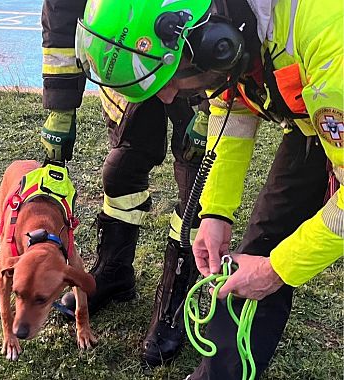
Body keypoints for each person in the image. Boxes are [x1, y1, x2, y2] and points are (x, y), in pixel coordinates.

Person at [76, 0, 343, 378]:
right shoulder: (228, 31)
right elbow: (232, 112)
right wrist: (215, 213)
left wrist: (278, 269)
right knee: (255, 257)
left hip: (334, 95)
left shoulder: (329, 40)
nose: (167, 97)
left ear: (215, 40)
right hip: (313, 125)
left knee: (271, 262)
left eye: (169, 80)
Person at [40, 0, 211, 366]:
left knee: (197, 184)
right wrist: (61, 105)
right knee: (122, 169)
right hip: (125, 60)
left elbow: (231, 16)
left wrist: (211, 105)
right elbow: (62, 14)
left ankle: (175, 303)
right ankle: (115, 271)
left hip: (191, 52)